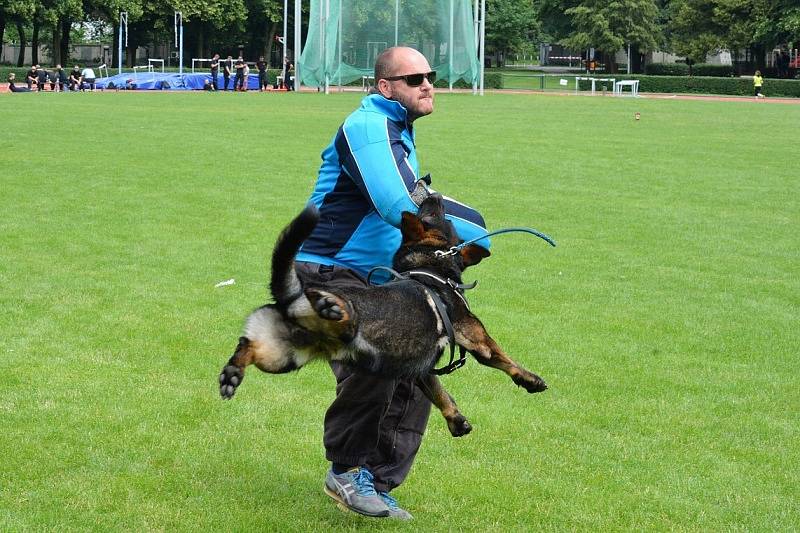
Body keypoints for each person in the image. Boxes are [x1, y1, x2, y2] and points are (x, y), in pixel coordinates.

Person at [293, 47, 490, 520]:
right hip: (328, 270)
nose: (427, 84)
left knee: (414, 363)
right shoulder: (368, 127)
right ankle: (345, 471)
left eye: (430, 75)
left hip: (377, 277)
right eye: (413, 78)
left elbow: (421, 198)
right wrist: (478, 227)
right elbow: (397, 202)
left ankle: (375, 482)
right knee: (380, 359)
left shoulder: (396, 128)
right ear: (385, 88)